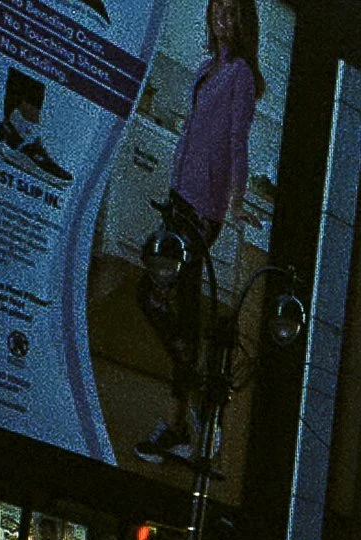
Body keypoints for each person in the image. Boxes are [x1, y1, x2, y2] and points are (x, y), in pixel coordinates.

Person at [135, 0, 263, 466]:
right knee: (171, 305)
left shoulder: (242, 75)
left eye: (232, 12)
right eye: (218, 11)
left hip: (202, 207)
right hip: (180, 197)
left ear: (246, 21)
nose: (223, 19)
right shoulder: (210, 67)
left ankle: (177, 421)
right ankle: (187, 403)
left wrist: (234, 200)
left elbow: (236, 142)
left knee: (152, 295)